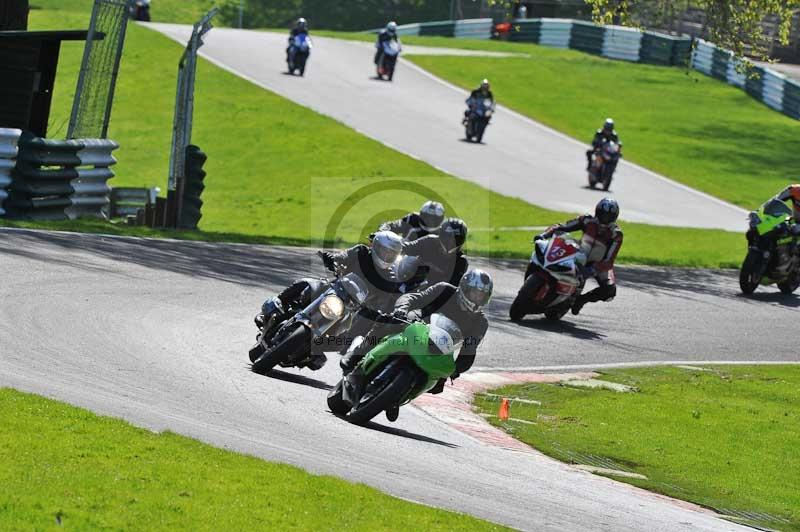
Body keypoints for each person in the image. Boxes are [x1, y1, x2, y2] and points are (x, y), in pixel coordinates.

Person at [341, 269, 492, 420]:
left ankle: (400, 396)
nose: (477, 298)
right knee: (390, 322)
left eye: (481, 296)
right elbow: (413, 297)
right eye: (474, 293)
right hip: (416, 326)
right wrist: (402, 309)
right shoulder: (444, 290)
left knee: (438, 382)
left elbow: (470, 348)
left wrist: (455, 370)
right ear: (464, 287)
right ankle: (358, 354)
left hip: (441, 349)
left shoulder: (480, 322)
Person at [536, 198, 623, 316]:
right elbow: (562, 226)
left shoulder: (616, 234)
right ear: (597, 211)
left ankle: (581, 300)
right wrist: (544, 235)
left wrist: (594, 269)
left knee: (610, 291)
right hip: (579, 253)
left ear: (614, 217)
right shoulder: (587, 220)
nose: (605, 218)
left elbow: (609, 260)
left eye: (609, 216)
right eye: (603, 214)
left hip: (598, 263)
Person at [402, 217, 469, 286]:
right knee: (408, 260)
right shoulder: (428, 241)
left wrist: (432, 268)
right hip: (414, 284)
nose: (451, 242)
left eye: (456, 238)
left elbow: (452, 287)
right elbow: (407, 248)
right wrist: (395, 244)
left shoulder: (462, 261)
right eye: (448, 237)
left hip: (437, 293)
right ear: (441, 234)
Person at [379, 200, 445, 240]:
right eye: (426, 217)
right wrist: (382, 230)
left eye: (433, 219)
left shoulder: (444, 231)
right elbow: (394, 225)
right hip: (401, 255)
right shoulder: (411, 218)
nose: (429, 221)